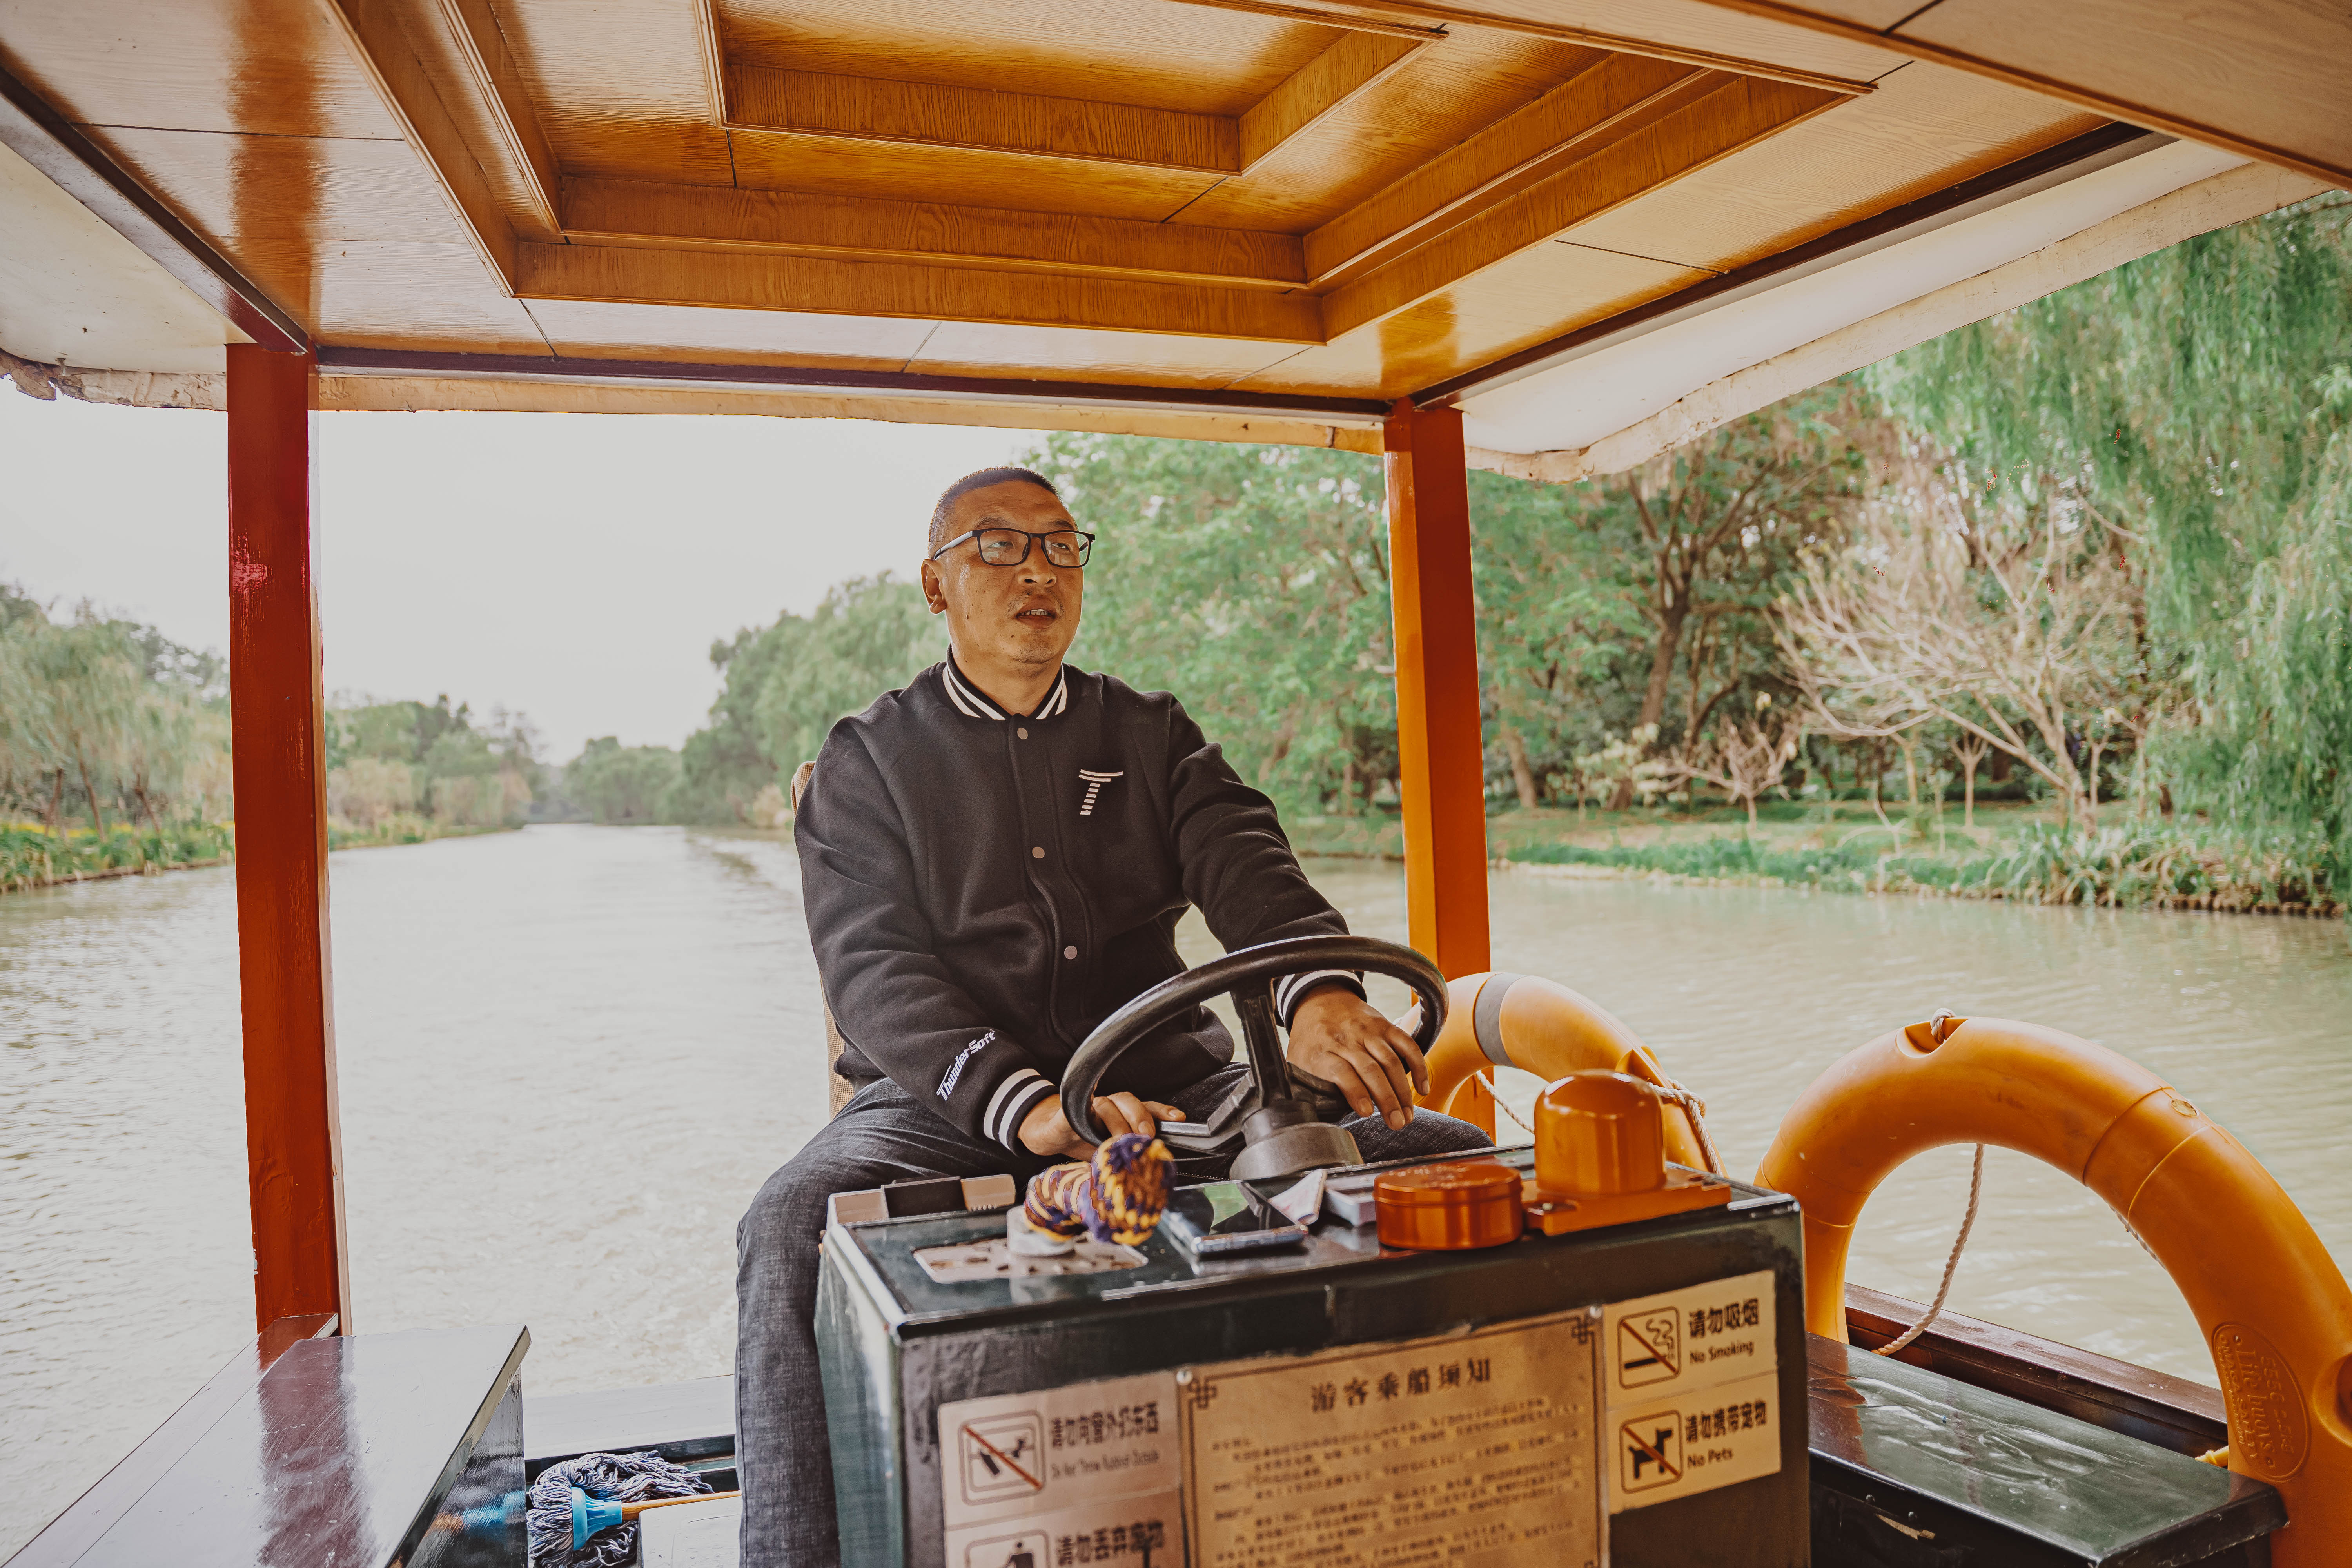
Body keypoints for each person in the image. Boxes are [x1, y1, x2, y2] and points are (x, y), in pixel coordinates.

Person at [735, 466, 1490, 1568]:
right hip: (945, 1100)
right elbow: (874, 971)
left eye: (1059, 545)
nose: (1035, 569)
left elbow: (1249, 868)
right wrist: (1033, 1110)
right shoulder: (870, 762)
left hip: (1181, 1088)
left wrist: (1318, 994)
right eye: (996, 547)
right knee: (789, 1223)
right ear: (935, 590)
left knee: (1449, 1160)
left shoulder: (1149, 734)